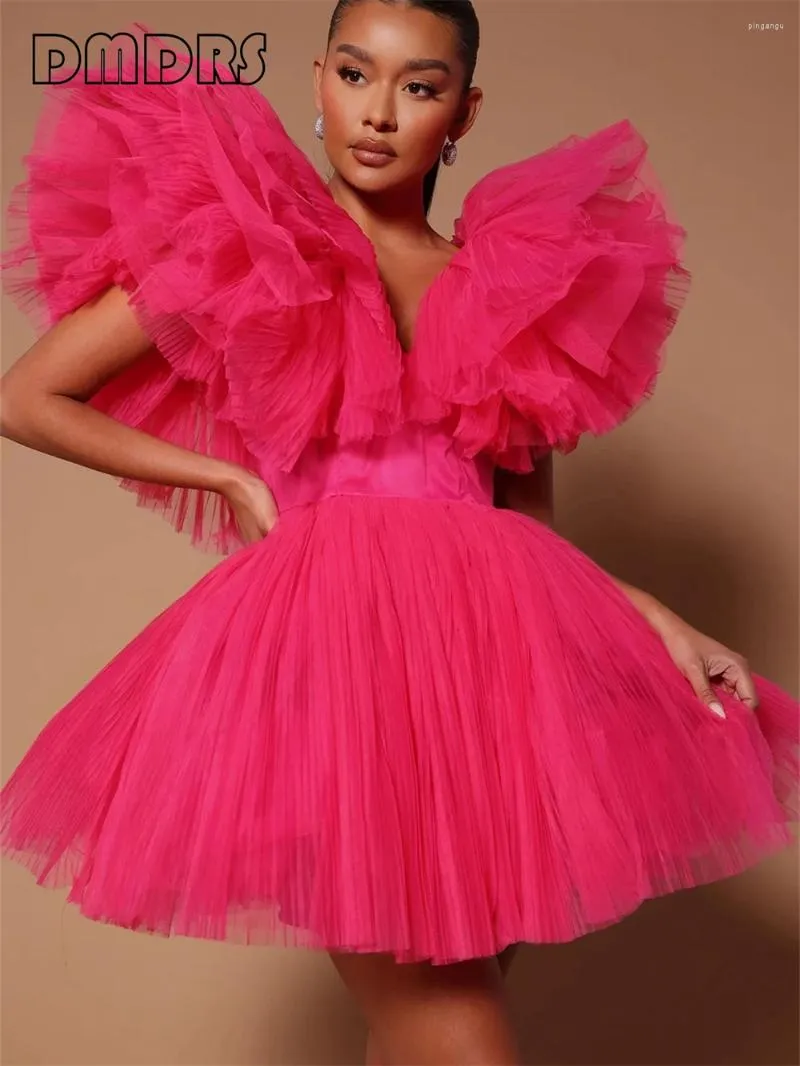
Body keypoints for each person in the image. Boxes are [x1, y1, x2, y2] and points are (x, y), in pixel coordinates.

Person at [1, 3, 797, 1064]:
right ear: (317, 82)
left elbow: (527, 535)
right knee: (459, 1038)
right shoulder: (248, 246)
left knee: (416, 1033)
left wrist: (654, 620)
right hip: (340, 673)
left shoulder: (508, 284)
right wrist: (226, 476)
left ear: (463, 112)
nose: (377, 113)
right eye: (353, 74)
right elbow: (28, 398)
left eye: (418, 87)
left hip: (491, 693)